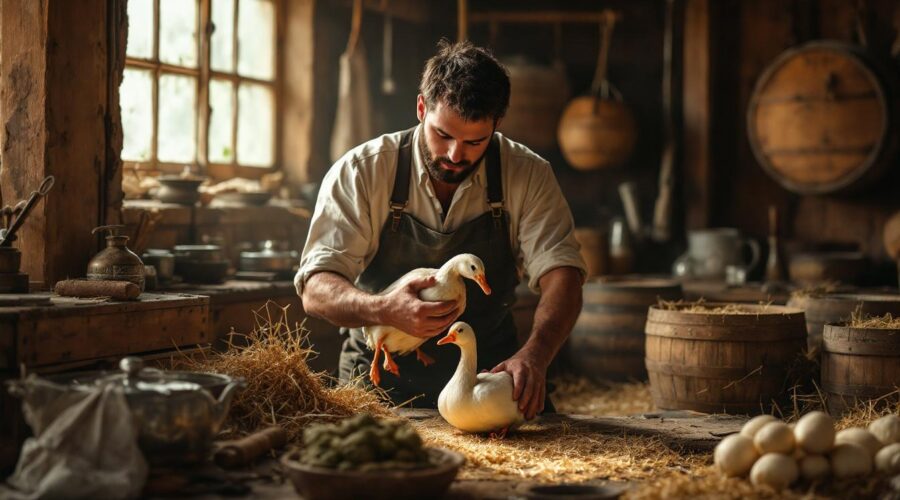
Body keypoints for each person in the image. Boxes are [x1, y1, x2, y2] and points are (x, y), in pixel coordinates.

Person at [296, 40, 585, 420]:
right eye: (443, 135)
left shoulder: (526, 174)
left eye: (474, 142)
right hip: (379, 381)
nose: (454, 155)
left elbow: (562, 275)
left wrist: (535, 355)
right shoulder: (363, 171)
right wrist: (384, 308)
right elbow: (316, 289)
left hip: (486, 377)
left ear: (497, 125)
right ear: (421, 108)